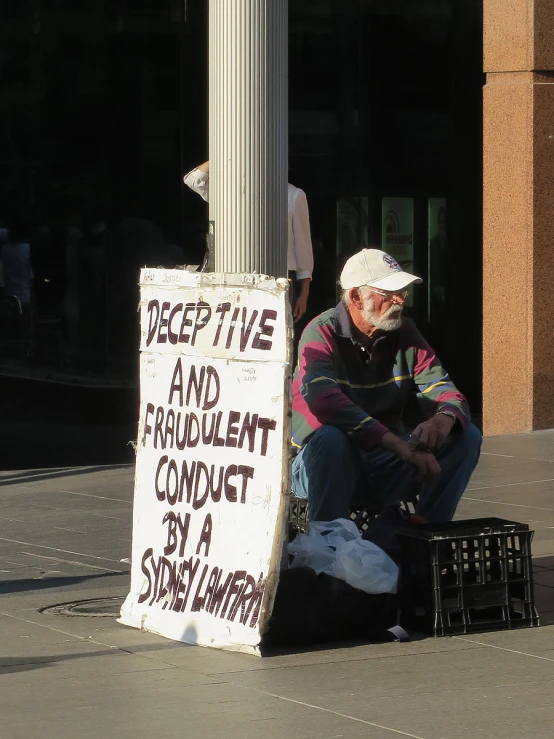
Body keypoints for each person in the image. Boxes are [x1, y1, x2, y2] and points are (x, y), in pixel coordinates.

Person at [291, 247, 481, 524]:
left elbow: (444, 389)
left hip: (383, 461)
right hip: (321, 465)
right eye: (388, 293)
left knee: (467, 436)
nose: (400, 300)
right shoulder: (319, 332)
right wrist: (398, 446)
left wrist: (443, 419)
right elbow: (324, 401)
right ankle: (328, 548)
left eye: (402, 291)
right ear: (356, 296)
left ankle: (424, 535)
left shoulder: (405, 333)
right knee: (332, 438)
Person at [184, 161, 314, 322]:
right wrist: (224, 152)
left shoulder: (293, 194)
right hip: (237, 275)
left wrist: (304, 295)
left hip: (280, 277)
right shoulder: (232, 190)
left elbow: (303, 246)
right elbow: (194, 179)